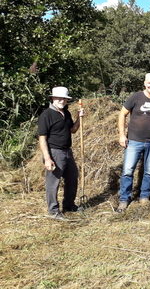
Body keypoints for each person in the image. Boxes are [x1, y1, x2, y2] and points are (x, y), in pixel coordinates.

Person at [117, 72, 150, 212]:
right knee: (128, 171)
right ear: (145, 83)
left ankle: (144, 196)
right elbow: (122, 114)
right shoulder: (135, 97)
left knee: (149, 171)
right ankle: (124, 199)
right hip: (134, 141)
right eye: (149, 83)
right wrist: (122, 135)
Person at [38, 86, 85, 220]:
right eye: (59, 98)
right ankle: (53, 211)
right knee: (53, 182)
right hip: (54, 152)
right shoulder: (46, 115)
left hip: (67, 151)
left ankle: (69, 205)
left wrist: (78, 118)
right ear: (52, 98)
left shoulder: (66, 112)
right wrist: (47, 158)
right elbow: (42, 138)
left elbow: (73, 130)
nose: (62, 101)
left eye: (64, 98)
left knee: (72, 178)